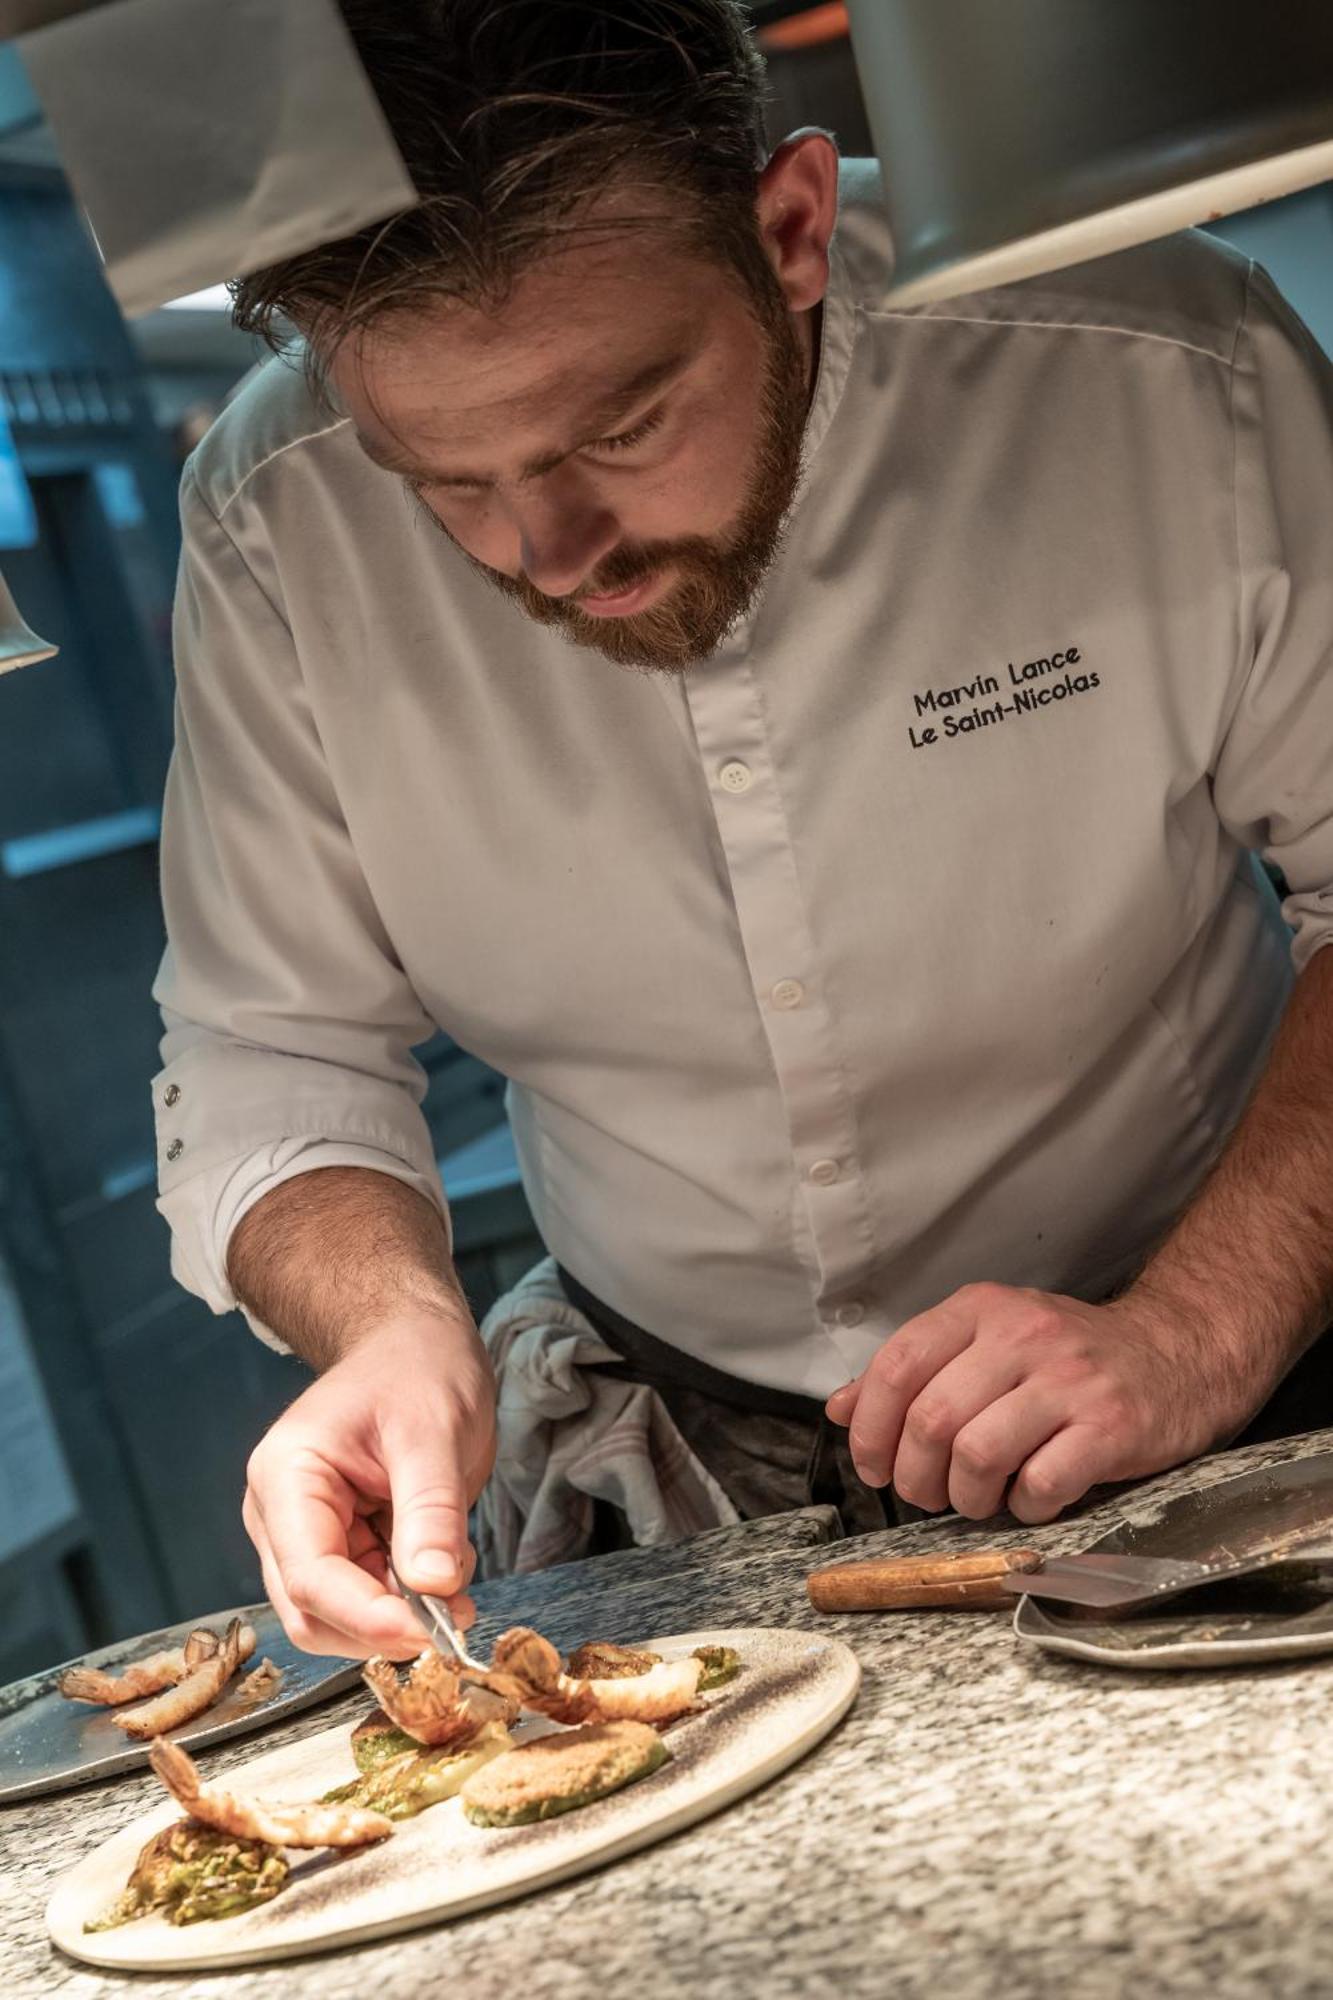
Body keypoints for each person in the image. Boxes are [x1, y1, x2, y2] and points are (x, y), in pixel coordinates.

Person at [152, 0, 1333, 1659]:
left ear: (784, 229)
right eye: (449, 483)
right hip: (683, 1462)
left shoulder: (1161, 368)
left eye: (621, 428)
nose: (550, 554)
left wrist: (1195, 1329)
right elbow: (272, 1049)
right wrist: (388, 1322)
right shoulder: (273, 521)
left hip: (1223, 1363)